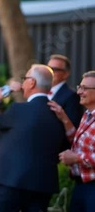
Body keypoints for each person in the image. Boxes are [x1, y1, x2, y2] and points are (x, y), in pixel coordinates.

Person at [0, 64, 67, 212]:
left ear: (32, 83)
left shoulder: (19, 110)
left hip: (14, 180)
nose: (22, 82)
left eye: (25, 78)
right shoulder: (59, 113)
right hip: (43, 183)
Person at [49, 71, 95, 212]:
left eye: (85, 88)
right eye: (79, 87)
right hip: (81, 185)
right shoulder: (87, 115)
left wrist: (76, 158)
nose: (79, 92)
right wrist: (64, 118)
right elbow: (79, 142)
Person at [47, 54, 83, 128]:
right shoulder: (41, 90)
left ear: (66, 74)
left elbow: (73, 126)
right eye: (48, 69)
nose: (50, 73)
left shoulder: (72, 96)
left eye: (54, 69)